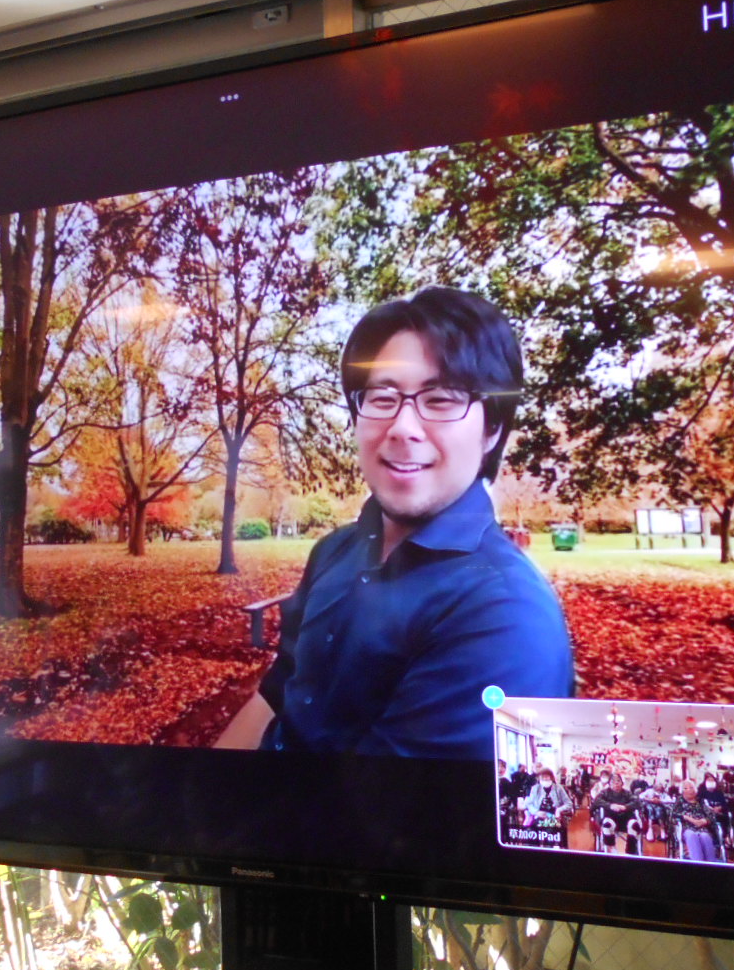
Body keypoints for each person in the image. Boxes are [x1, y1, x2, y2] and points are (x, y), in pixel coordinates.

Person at [215, 287, 574, 758]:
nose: (403, 427)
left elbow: (383, 806)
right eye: (382, 397)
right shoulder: (335, 551)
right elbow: (278, 690)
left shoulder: (504, 618)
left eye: (441, 399)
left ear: (492, 429)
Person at [674, 779, 722, 862]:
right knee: (692, 835)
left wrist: (704, 821)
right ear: (682, 791)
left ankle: (711, 863)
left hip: (702, 827)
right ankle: (697, 863)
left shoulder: (701, 801)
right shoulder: (679, 801)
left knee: (705, 836)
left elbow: (711, 815)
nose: (689, 790)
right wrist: (688, 818)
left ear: (695, 790)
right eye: (686, 788)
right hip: (687, 827)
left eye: (691, 787)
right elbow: (673, 814)